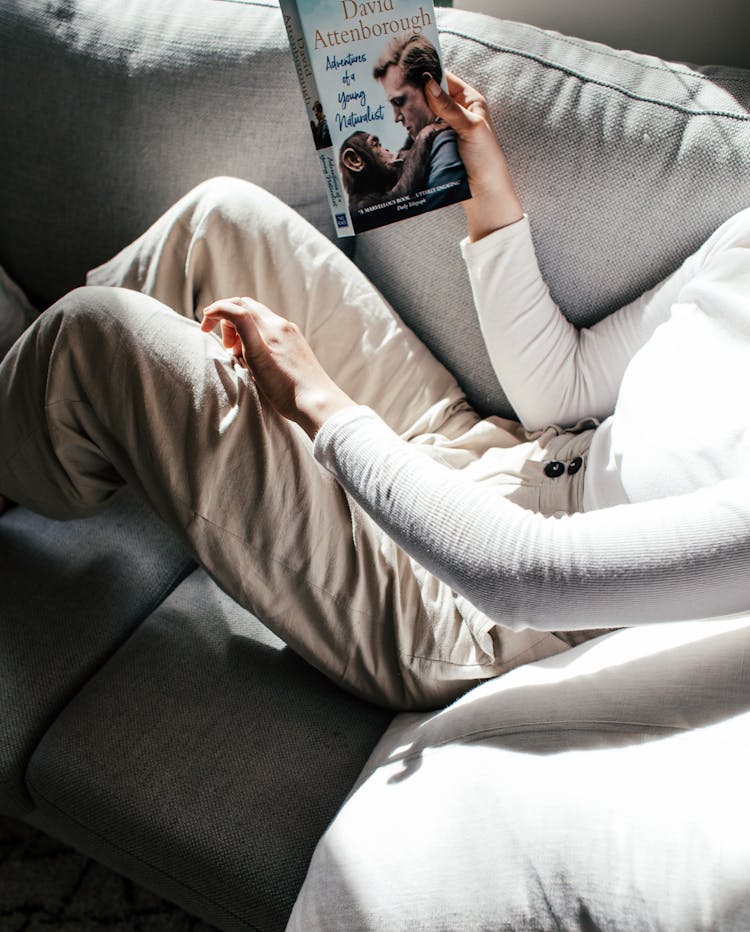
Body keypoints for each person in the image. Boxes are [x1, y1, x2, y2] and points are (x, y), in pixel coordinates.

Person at [1, 72, 749, 711]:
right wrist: (485, 183)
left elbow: (528, 578)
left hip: (462, 607)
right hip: (502, 453)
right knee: (218, 222)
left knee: (100, 336)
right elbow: (566, 387)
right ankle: (31, 418)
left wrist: (318, 401)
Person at [373, 34, 471, 209]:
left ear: (428, 85)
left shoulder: (445, 144)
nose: (396, 117)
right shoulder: (413, 143)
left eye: (399, 102)